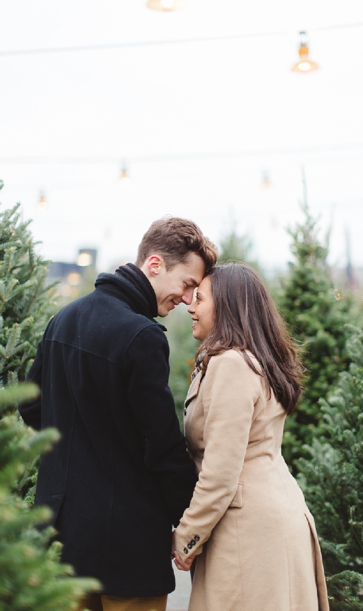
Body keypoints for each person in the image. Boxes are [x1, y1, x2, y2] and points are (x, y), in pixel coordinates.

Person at [20, 217, 219, 611]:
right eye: (187, 284)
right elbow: (160, 445)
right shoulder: (140, 336)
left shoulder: (64, 319)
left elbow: (30, 405)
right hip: (126, 545)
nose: (185, 299)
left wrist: (73, 456)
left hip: (61, 539)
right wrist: (193, 522)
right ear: (156, 265)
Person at [170, 262, 329, 611]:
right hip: (271, 514)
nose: (191, 307)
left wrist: (185, 538)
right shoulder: (252, 359)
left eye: (200, 299)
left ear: (227, 306)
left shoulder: (231, 364)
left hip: (249, 530)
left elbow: (221, 473)